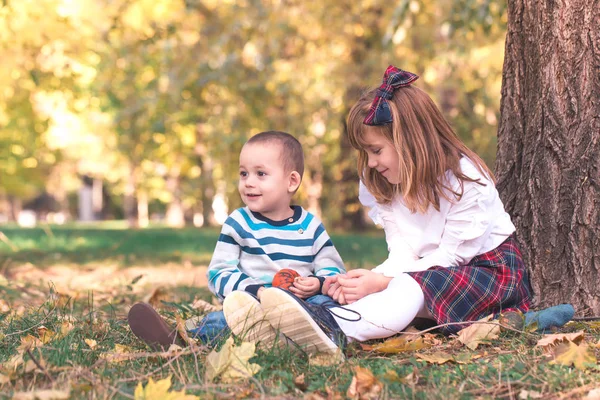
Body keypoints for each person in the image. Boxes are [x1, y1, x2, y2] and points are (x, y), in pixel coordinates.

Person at [255, 65, 533, 355]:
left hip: (486, 275)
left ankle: (330, 327)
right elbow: (402, 254)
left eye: (376, 151)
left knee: (407, 289)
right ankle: (300, 323)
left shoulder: (465, 180)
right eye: (365, 153)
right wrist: (366, 280)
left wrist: (382, 282)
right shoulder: (386, 182)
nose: (371, 163)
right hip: (425, 275)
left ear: (410, 142)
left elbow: (452, 257)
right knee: (390, 289)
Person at [127, 131, 346, 350]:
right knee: (221, 321)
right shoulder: (238, 223)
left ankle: (318, 335)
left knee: (328, 307)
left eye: (260, 174)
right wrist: (256, 291)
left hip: (302, 309)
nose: (248, 182)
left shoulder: (310, 226)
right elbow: (219, 273)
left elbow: (334, 272)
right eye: (243, 174)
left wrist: (317, 284)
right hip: (253, 309)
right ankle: (179, 338)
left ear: (291, 181)